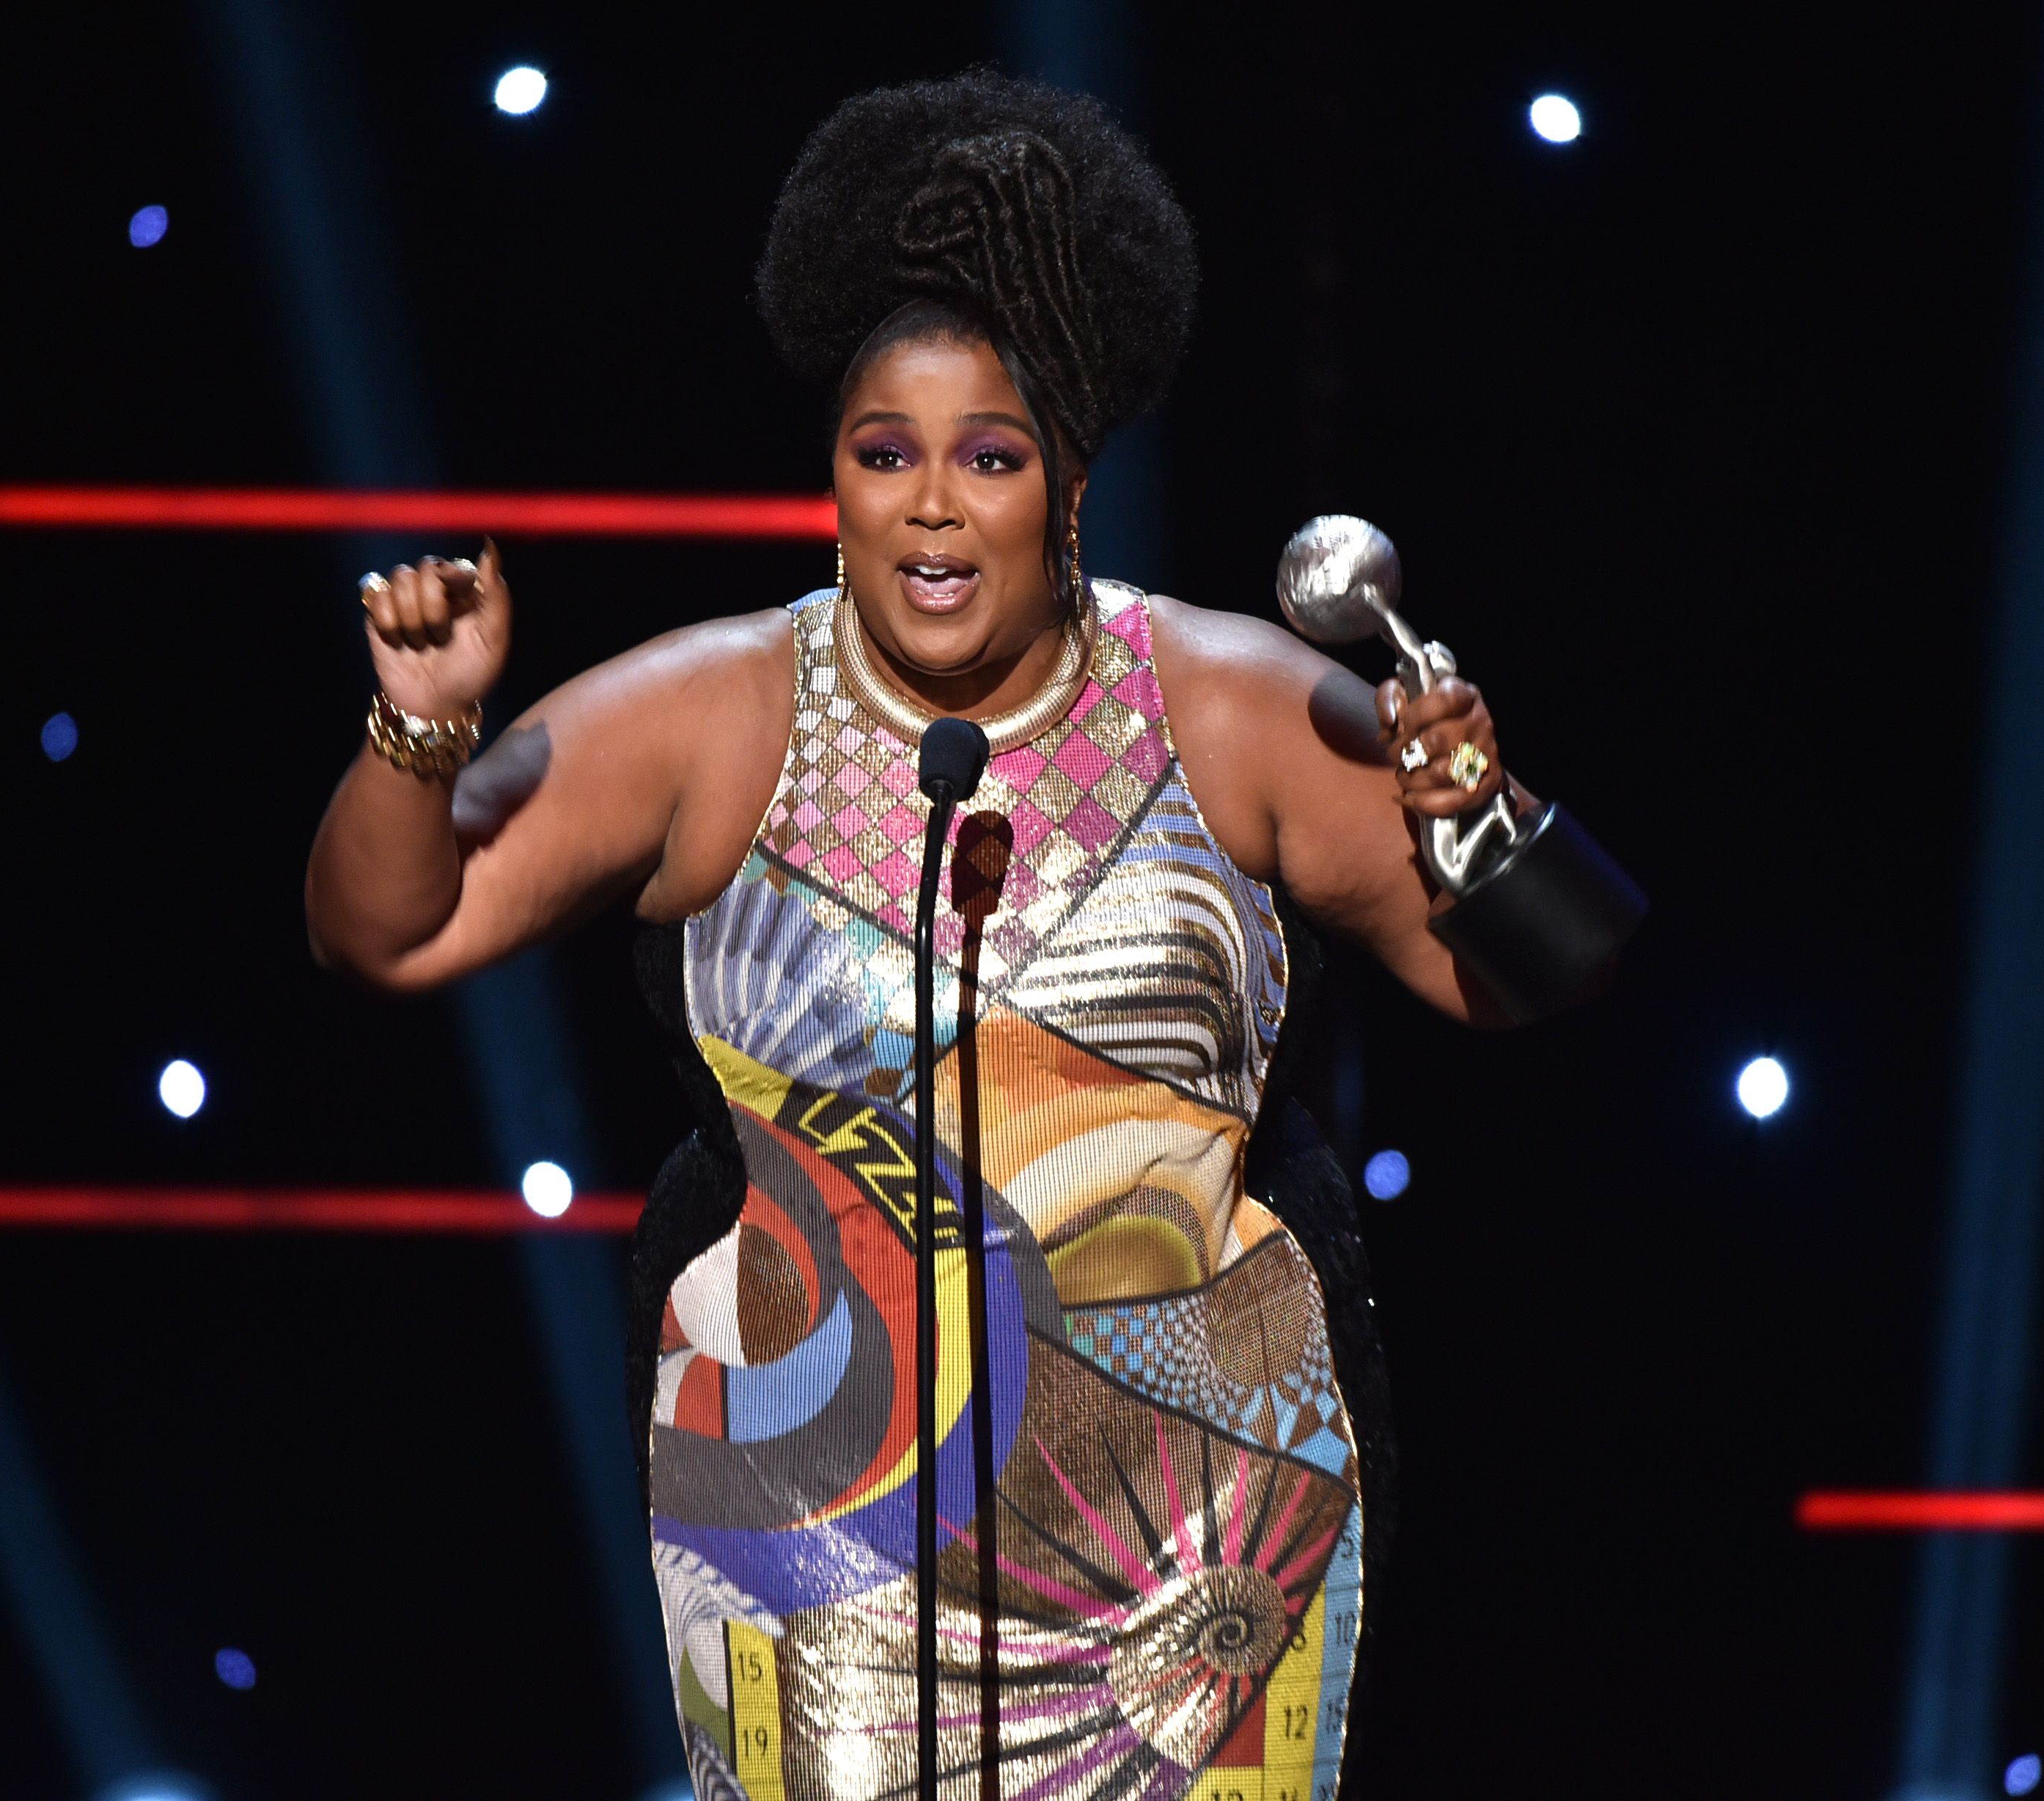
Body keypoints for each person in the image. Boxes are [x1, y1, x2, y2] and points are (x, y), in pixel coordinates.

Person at [307, 72, 1537, 1801]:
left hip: (1193, 1541)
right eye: (886, 455)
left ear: (1073, 481)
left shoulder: (1233, 708)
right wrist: (420, 732)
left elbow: (1510, 972)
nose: (933, 506)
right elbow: (391, 927)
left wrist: (1478, 820)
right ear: (835, 479)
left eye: (991, 456)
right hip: (815, 1529)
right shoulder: (720, 712)